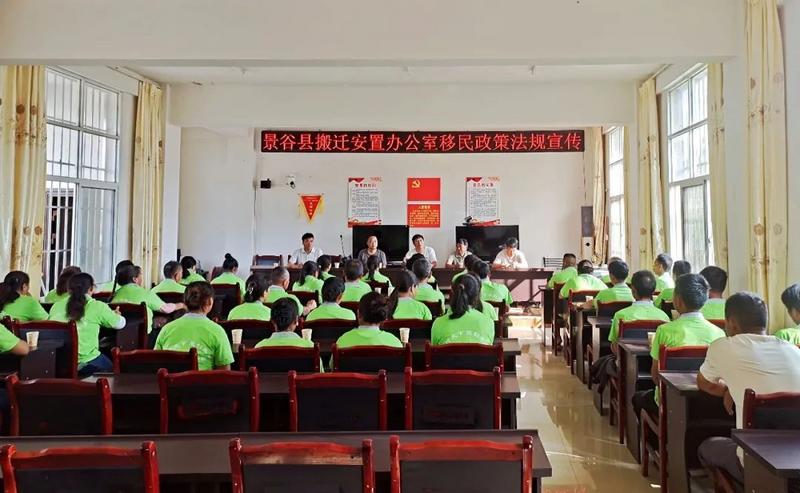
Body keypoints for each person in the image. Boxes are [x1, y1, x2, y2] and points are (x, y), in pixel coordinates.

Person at [697, 292, 800, 490]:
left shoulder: (723, 347)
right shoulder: (794, 350)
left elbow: (705, 383)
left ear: (732, 323)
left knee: (706, 447)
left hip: (754, 463)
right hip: (794, 462)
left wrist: (727, 389)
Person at [631, 273, 725, 421]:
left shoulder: (664, 330)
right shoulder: (719, 333)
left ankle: (652, 433)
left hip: (668, 401)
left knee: (638, 398)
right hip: (708, 403)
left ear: (679, 301)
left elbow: (655, 375)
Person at [49, 273, 125, 377]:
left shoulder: (56, 306)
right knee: (114, 368)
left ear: (69, 289)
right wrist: (116, 315)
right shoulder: (97, 306)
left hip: (59, 362)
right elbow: (120, 324)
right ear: (91, 289)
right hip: (87, 362)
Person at [155, 282, 234, 371]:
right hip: (202, 379)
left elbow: (155, 363)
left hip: (169, 379)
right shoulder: (217, 331)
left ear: (185, 302)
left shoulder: (166, 329)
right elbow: (224, 371)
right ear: (210, 302)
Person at [607, 270, 670, 353]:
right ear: (653, 291)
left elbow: (615, 346)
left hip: (625, 360)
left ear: (633, 290)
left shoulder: (620, 315)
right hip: (653, 359)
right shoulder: (664, 317)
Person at [112, 265, 183, 334]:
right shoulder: (144, 293)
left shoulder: (114, 295)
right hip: (142, 336)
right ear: (135, 279)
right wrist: (181, 305)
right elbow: (166, 309)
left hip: (118, 335)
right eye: (141, 275)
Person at [431, 274, 495, 345]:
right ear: (477, 295)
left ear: (452, 294)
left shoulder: (438, 323)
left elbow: (434, 349)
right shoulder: (488, 323)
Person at [335, 292, 403, 348]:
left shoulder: (342, 341)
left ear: (358, 314)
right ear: (383, 317)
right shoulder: (395, 343)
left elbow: (334, 361)